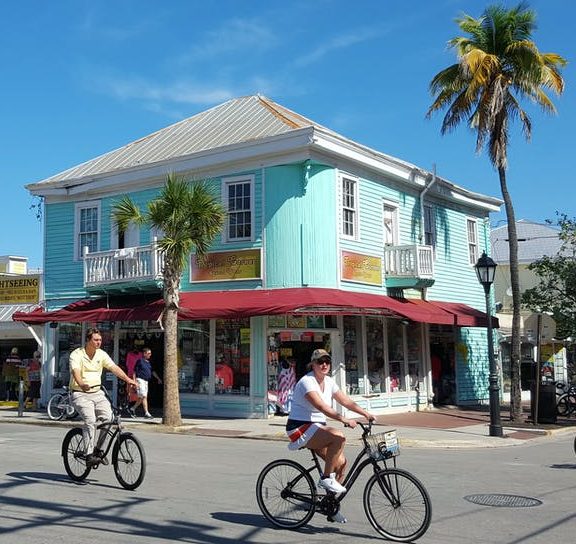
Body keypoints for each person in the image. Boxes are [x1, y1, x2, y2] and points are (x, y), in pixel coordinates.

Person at [285, 348, 375, 524]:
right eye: (320, 362)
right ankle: (326, 478)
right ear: (313, 364)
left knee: (341, 464)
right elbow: (322, 407)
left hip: (317, 427)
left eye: (327, 361)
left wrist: (365, 414)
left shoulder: (329, 381)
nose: (324, 364)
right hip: (300, 428)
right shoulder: (307, 382)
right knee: (338, 436)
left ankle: (330, 505)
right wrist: (343, 419)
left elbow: (345, 400)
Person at [69, 327, 137, 466]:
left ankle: (98, 450)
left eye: (100, 340)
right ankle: (88, 455)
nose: (98, 342)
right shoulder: (76, 354)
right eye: (95, 340)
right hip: (80, 393)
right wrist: (81, 383)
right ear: (88, 340)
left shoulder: (101, 354)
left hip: (97, 393)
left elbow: (114, 368)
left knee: (109, 419)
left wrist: (128, 379)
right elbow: (75, 372)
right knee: (91, 420)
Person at [130, 347, 162, 419]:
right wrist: (134, 381)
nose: (150, 355)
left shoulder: (149, 363)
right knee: (144, 396)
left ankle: (132, 408)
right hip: (140, 380)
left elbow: (152, 372)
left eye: (150, 353)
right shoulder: (140, 361)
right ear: (144, 354)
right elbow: (134, 371)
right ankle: (146, 413)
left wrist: (158, 379)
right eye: (148, 353)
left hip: (146, 381)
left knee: (142, 397)